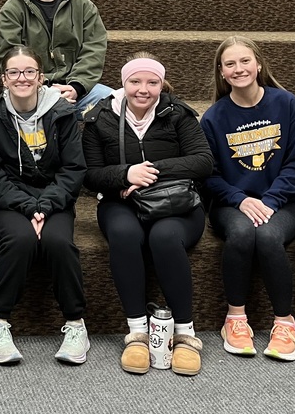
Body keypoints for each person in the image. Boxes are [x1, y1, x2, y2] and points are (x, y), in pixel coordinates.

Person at [83, 53, 213, 376]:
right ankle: (137, 332)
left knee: (164, 237)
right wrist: (125, 174)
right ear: (123, 83)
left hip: (176, 203)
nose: (144, 89)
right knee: (124, 234)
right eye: (135, 81)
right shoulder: (100, 117)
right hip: (121, 203)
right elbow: (89, 175)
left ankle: (185, 334)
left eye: (152, 82)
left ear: (161, 84)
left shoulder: (178, 113)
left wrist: (151, 172)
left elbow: (203, 161)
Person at [201, 36, 295, 362]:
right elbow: (209, 175)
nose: (239, 69)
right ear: (221, 72)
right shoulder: (213, 118)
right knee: (242, 233)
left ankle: (285, 323)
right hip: (231, 204)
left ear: (259, 64)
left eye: (245, 61)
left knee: (268, 235)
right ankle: (235, 318)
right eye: (230, 64)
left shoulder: (286, 104)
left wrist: (271, 200)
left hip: (280, 201)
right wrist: (240, 199)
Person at [0, 45, 88, 365]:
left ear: (41, 77)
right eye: (14, 72)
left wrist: (46, 205)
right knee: (21, 240)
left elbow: (73, 169)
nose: (22, 78)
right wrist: (29, 207)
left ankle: (76, 324)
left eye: (29, 71)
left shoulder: (63, 114)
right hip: (7, 199)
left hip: (55, 196)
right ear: (3, 79)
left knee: (58, 242)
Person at [0, 0, 112, 118]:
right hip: (30, 89)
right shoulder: (12, 9)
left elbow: (94, 49)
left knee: (116, 102)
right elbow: (9, 55)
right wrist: (40, 88)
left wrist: (76, 87)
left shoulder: (83, 6)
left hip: (75, 90)